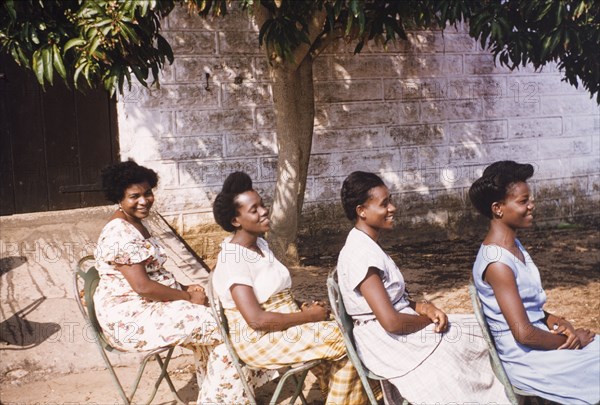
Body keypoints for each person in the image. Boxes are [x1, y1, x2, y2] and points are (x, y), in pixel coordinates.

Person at [93, 160, 272, 404]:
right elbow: (142, 286)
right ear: (118, 198)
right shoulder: (119, 233)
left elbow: (153, 273)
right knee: (227, 327)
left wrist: (184, 288)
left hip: (148, 306)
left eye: (148, 193)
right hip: (130, 319)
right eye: (134, 196)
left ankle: (220, 396)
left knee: (221, 322)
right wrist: (187, 297)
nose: (144, 200)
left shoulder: (134, 224)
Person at [337, 171, 509, 404]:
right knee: (466, 345)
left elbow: (392, 299)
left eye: (391, 200)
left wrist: (423, 307)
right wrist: (428, 321)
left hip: (396, 328)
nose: (393, 208)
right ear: (362, 211)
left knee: (479, 329)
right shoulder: (360, 253)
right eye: (384, 204)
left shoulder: (367, 244)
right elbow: (392, 322)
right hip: (386, 342)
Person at [211, 171, 370, 405]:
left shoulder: (261, 245)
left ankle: (344, 396)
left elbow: (275, 294)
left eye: (263, 205)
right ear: (236, 221)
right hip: (258, 339)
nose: (264, 211)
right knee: (343, 338)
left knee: (352, 328)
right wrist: (306, 317)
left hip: (281, 327)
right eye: (254, 210)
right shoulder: (233, 259)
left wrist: (303, 308)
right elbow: (256, 320)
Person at [469, 160, 599, 404]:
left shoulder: (512, 246)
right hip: (527, 359)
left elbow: (526, 306)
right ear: (498, 208)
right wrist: (572, 342)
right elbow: (523, 333)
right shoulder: (497, 262)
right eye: (523, 201)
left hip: (539, 343)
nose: (531, 205)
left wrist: (554, 320)